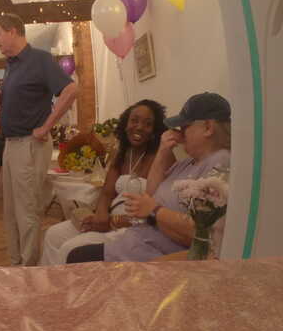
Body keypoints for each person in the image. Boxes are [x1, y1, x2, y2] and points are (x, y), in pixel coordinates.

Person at [66, 92, 231, 263]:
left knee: (76, 257)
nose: (180, 133)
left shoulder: (220, 163)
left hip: (156, 255)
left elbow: (203, 234)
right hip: (137, 241)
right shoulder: (188, 162)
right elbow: (151, 193)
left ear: (208, 128)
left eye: (185, 127)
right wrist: (163, 151)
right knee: (74, 254)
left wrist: (155, 211)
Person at [0, 13, 78, 266]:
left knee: (26, 211)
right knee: (10, 210)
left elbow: (71, 90)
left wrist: (46, 126)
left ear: (13, 31)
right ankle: (16, 263)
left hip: (29, 145)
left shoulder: (40, 59)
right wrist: (0, 98)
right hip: (11, 144)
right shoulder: (11, 64)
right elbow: (26, 96)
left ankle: (28, 269)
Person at [40, 99, 167, 265]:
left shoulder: (161, 158)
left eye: (147, 124)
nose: (139, 127)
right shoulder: (123, 153)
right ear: (125, 124)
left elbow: (156, 212)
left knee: (70, 248)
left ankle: (69, 282)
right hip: (109, 219)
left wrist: (111, 222)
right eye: (134, 121)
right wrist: (101, 215)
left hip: (134, 228)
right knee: (53, 234)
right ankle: (49, 281)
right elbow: (106, 193)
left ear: (155, 130)